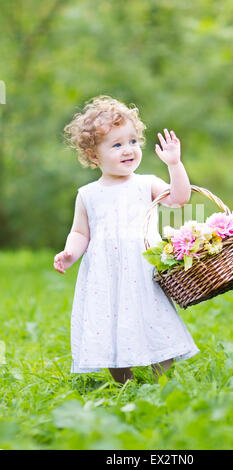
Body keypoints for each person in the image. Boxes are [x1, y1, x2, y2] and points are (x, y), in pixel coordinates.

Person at [53, 95, 200, 384]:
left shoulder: (146, 183)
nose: (128, 150)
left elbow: (180, 198)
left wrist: (174, 164)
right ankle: (124, 382)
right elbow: (81, 232)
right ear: (95, 156)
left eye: (133, 141)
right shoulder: (88, 194)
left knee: (155, 319)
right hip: (105, 275)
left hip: (143, 270)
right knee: (110, 325)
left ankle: (162, 379)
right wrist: (71, 253)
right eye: (117, 145)